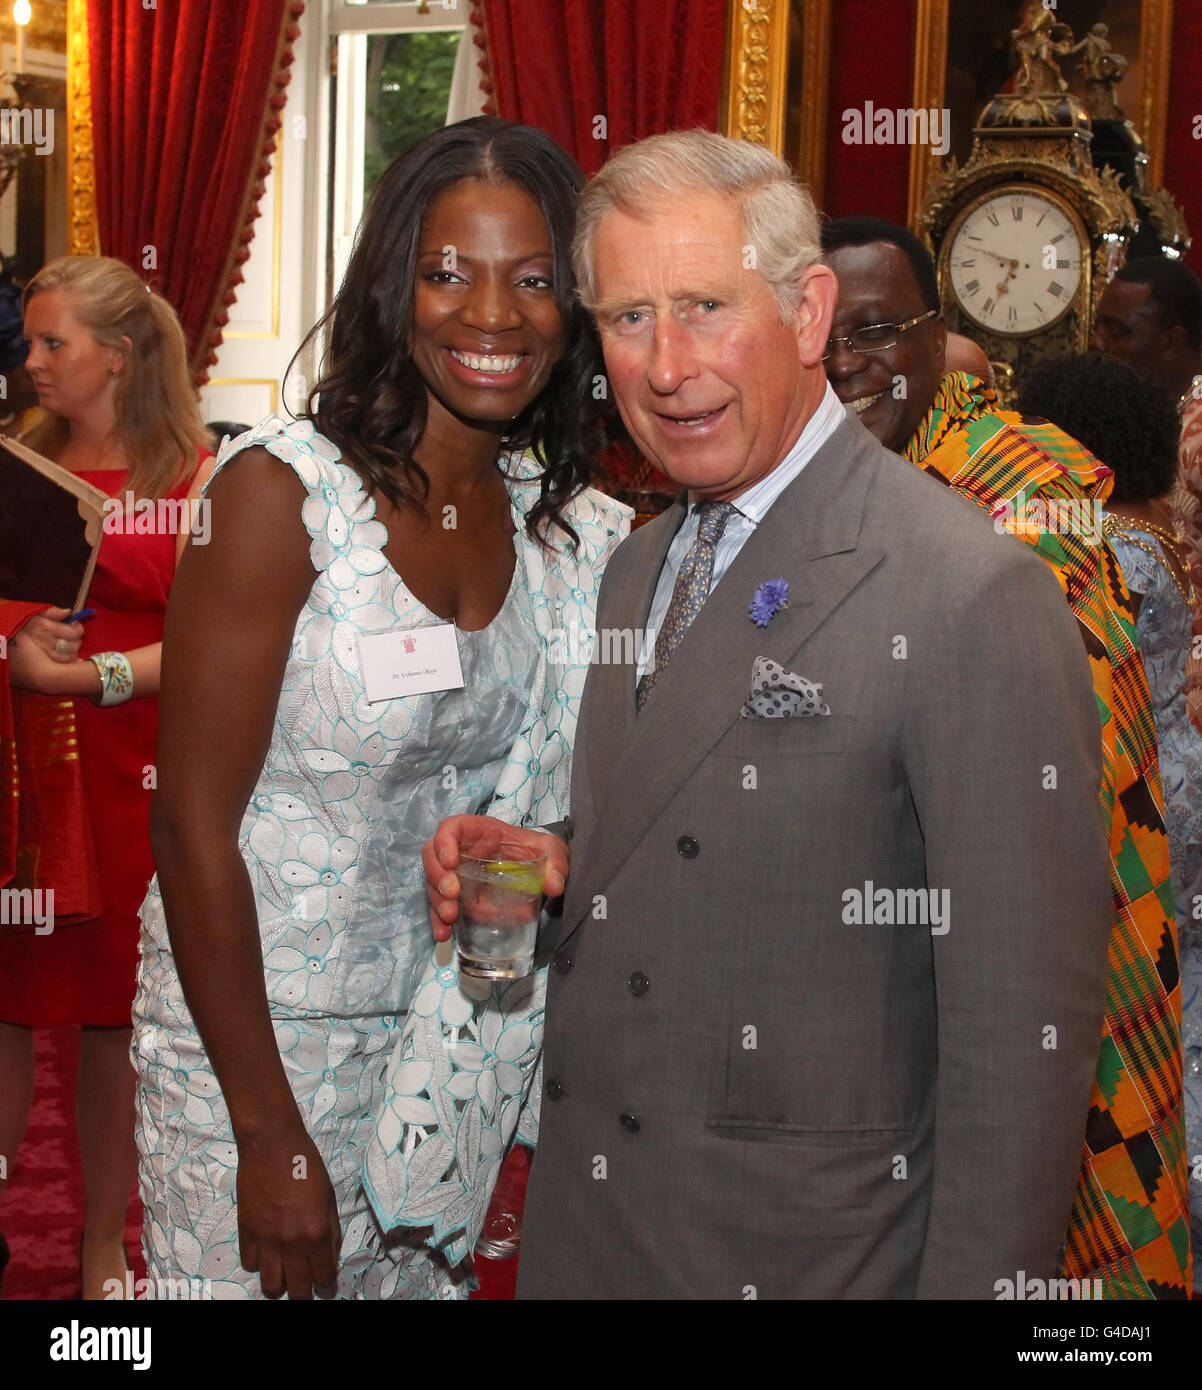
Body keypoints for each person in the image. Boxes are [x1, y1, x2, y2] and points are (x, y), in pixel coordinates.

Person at [420, 130, 1113, 1299]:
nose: (664, 364)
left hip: (810, 1258)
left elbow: (1019, 1045)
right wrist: (560, 869)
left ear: (805, 315)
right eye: (627, 319)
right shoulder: (635, 571)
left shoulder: (964, 591)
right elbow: (698, 840)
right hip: (600, 1239)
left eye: (702, 305)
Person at [133, 117, 630, 1301]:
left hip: (436, 1051)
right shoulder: (277, 494)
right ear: (392, 286)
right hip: (250, 1047)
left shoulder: (558, 523)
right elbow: (190, 828)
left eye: (534, 280)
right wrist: (269, 1134)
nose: (492, 317)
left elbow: (523, 807)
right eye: (448, 273)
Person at [821, 216, 1191, 1299]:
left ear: (939, 341)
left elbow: (1067, 804)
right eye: (824, 335)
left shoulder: (1024, 498)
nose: (847, 361)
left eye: (879, 329)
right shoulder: (817, 482)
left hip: (1024, 979)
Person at [0, 255, 213, 1299]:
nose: (31, 360)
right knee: (6, 999)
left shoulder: (197, 475)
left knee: (107, 1017)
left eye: (54, 343)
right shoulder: (13, 461)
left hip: (135, 767)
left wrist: (90, 671)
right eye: (30, 342)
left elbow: (221, 639)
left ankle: (99, 1245)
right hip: (22, 766)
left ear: (119, 356)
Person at [1018, 351, 1202, 1295]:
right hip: (1182, 782)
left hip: (1134, 798)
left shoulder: (1094, 547)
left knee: (1124, 1043)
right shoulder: (1165, 528)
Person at [1091, 256, 1202, 735]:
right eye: (1099, 326)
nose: (1099, 344)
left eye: (1117, 331)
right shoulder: (1148, 418)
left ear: (1173, 342)